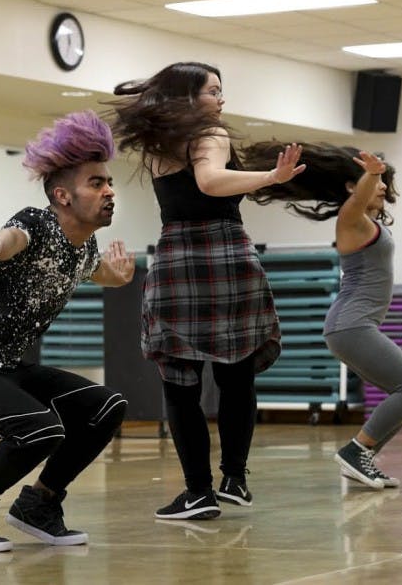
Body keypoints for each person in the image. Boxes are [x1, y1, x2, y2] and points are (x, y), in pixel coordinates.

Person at [0, 111, 132, 552]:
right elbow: (11, 239)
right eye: (96, 183)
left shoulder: (84, 247)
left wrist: (122, 277)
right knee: (41, 429)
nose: (109, 191)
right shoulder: (37, 223)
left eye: (108, 182)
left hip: (5, 369)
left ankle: (40, 503)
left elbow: (100, 272)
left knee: (105, 406)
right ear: (63, 196)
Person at [109, 62, 305, 520]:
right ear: (187, 95)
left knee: (180, 383)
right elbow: (210, 181)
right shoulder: (212, 133)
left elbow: (197, 181)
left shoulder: (157, 143)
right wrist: (269, 178)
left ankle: (199, 491)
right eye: (213, 90)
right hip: (225, 252)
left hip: (177, 256)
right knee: (237, 374)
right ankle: (233, 478)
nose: (221, 99)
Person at [243, 143, 402, 489]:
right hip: (351, 325)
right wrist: (371, 175)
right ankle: (357, 452)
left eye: (384, 179)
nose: (384, 185)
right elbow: (359, 199)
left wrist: (373, 175)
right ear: (352, 186)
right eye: (376, 180)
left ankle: (362, 457)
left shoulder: (368, 221)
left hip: (354, 326)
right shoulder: (351, 217)